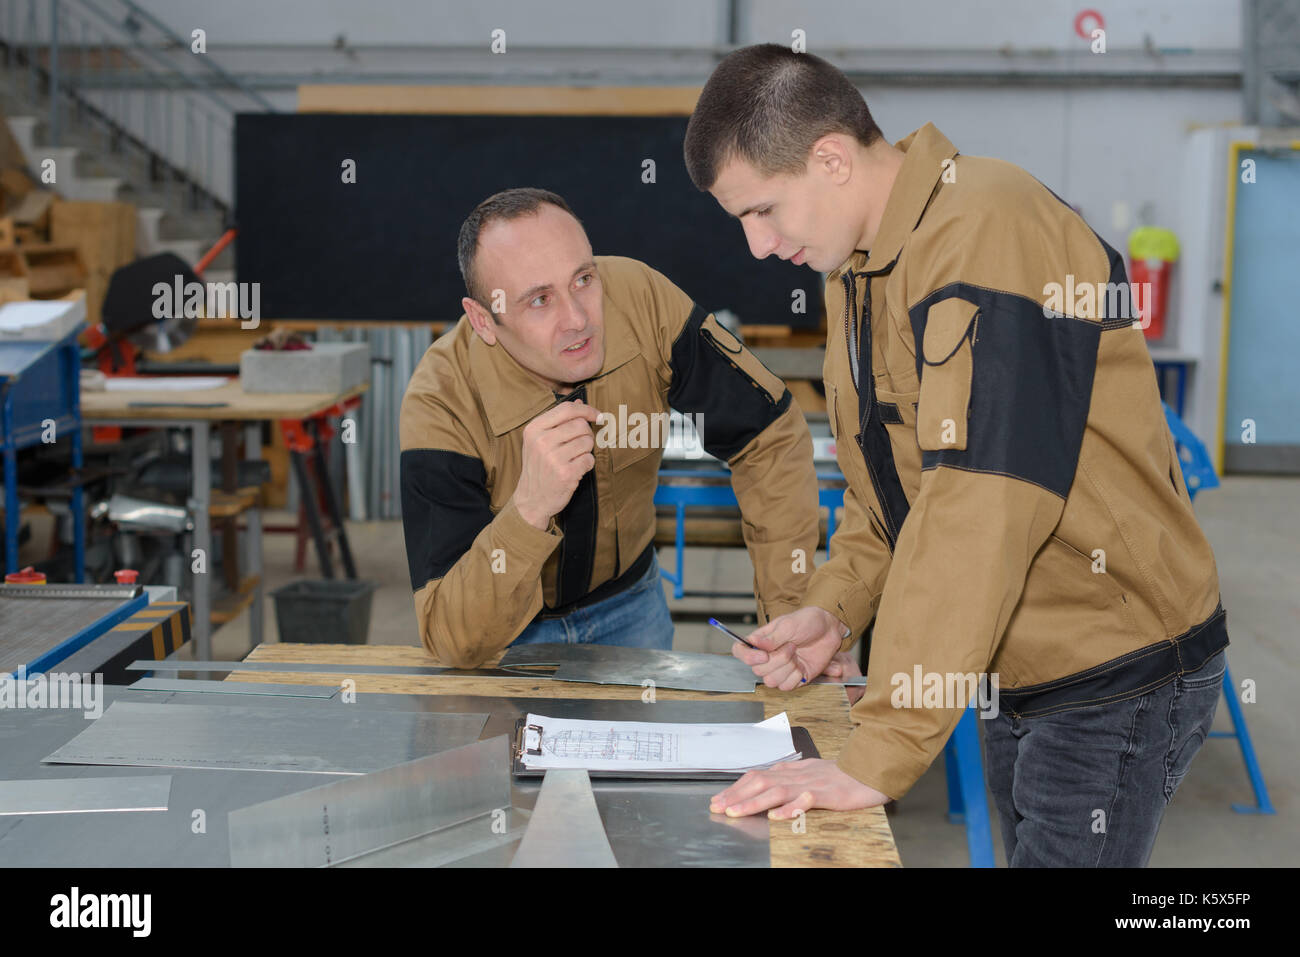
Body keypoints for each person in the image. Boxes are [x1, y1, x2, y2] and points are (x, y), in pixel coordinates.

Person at [684, 45, 1228, 866]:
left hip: (1114, 669)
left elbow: (981, 503)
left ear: (830, 158)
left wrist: (881, 746)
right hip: (1008, 662)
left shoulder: (988, 227)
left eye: (762, 211)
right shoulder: (859, 271)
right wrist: (835, 609)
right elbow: (891, 494)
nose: (758, 247)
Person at [399, 187, 821, 668]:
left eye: (583, 279)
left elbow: (769, 435)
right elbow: (452, 639)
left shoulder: (641, 301)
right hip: (507, 636)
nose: (578, 319)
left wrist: (790, 614)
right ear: (483, 320)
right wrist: (529, 509)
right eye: (539, 300)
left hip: (632, 607)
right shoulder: (441, 403)